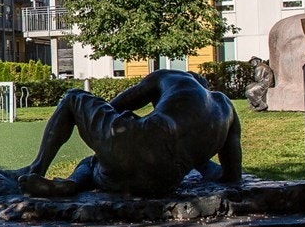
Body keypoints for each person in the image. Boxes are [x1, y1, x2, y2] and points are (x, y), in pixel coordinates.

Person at [12, 69, 242, 198]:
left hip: (138, 141)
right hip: (164, 180)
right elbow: (230, 177)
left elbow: (114, 107)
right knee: (96, 162)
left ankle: (37, 169)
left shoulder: (173, 77)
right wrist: (199, 161)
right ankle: (72, 183)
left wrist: (103, 137)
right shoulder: (226, 110)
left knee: (74, 98)